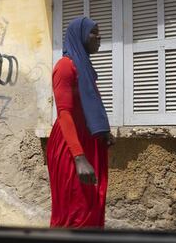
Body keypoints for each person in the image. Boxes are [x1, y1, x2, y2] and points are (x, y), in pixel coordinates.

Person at [47, 16, 115, 228]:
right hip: (71, 146)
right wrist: (79, 158)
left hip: (89, 141)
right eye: (93, 32)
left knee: (93, 207)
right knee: (76, 211)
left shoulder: (84, 66)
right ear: (80, 35)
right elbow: (64, 113)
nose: (99, 36)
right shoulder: (65, 67)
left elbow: (89, 105)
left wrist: (102, 131)